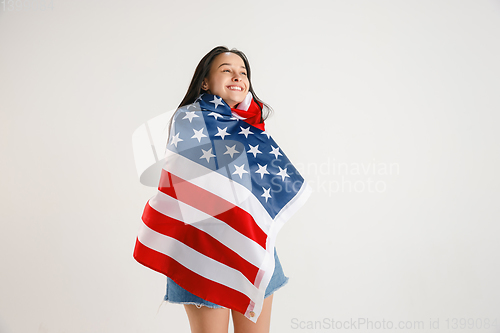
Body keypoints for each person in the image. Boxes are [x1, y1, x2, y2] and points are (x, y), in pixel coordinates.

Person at [134, 46, 310, 333]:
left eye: (243, 72)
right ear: (205, 82)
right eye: (226, 70)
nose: (237, 76)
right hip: (203, 249)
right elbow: (191, 191)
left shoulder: (253, 126)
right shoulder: (188, 120)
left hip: (252, 245)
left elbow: (261, 189)